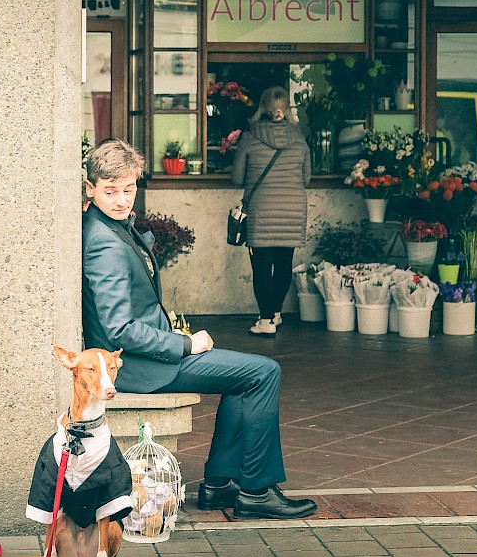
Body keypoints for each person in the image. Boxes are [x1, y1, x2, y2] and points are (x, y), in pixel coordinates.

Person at [82, 138, 316, 520]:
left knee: (248, 376)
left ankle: (220, 486)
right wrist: (184, 343)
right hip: (140, 366)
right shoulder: (103, 243)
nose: (123, 200)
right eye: (110, 191)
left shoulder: (109, 225)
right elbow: (118, 328)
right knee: (263, 372)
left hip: (147, 357)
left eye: (129, 189)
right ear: (90, 189)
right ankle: (255, 491)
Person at [231, 87, 311, 337]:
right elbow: (306, 178)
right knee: (284, 263)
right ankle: (275, 312)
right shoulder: (300, 138)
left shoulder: (250, 137)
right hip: (293, 209)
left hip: (262, 211)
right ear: (285, 108)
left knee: (262, 267)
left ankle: (266, 320)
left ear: (262, 107)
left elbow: (237, 178)